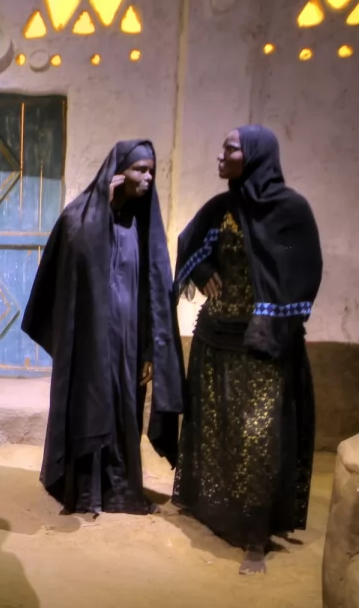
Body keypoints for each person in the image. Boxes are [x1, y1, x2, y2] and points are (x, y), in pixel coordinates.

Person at [171, 125, 322, 575]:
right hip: (215, 338)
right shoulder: (223, 209)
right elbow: (188, 242)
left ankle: (256, 535)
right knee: (214, 429)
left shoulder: (290, 212)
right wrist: (201, 272)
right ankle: (214, 511)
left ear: (254, 156)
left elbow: (302, 267)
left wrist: (274, 316)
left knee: (258, 439)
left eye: (231, 148)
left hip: (263, 345)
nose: (221, 155)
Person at [22, 140, 184, 517]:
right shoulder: (83, 215)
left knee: (124, 410)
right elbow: (72, 254)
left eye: (151, 171)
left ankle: (121, 491)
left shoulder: (143, 225)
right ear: (118, 172)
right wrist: (102, 214)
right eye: (140, 169)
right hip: (90, 339)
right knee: (92, 406)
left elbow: (155, 293)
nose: (147, 177)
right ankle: (85, 491)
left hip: (127, 342)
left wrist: (149, 350)